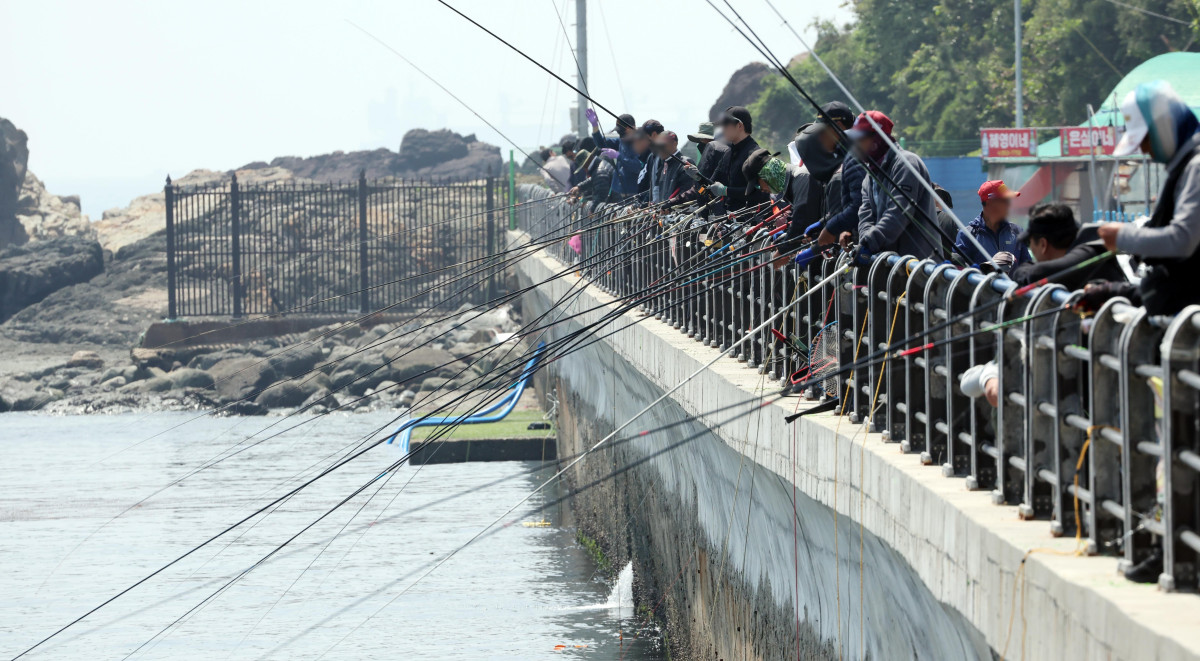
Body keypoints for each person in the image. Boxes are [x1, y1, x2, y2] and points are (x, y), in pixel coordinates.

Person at [1083, 80, 1200, 316]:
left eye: (1145, 139)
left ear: (1163, 126)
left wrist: (1124, 237)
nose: (1145, 150)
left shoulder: (1196, 166)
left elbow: (1183, 239)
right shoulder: (1184, 166)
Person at [852, 111, 940, 259]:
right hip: (890, 268)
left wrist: (869, 243)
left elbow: (898, 213)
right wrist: (865, 241)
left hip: (920, 269)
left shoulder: (906, 164)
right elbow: (865, 217)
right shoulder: (869, 176)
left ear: (876, 140)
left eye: (859, 139)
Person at [1010, 204, 1127, 290]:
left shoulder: (1087, 255)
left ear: (1043, 245)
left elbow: (1036, 274)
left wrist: (1020, 270)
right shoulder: (1087, 249)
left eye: (1030, 243)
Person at [710, 106, 770, 212]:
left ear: (739, 125)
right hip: (728, 220)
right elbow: (712, 182)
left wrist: (726, 191)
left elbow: (761, 193)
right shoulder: (728, 153)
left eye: (725, 125)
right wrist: (697, 176)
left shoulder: (757, 155)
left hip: (750, 222)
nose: (722, 129)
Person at [954, 181, 1029, 266]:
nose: (1009, 205)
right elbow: (960, 271)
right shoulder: (967, 235)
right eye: (1005, 201)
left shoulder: (1017, 231)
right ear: (990, 203)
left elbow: (1027, 266)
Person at [586, 108, 642, 200]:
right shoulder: (622, 141)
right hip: (619, 194)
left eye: (621, 131)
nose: (620, 135)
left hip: (634, 195)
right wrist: (595, 126)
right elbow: (601, 144)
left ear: (629, 128)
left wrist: (618, 156)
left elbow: (637, 167)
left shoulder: (641, 144)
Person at [651, 131, 694, 203]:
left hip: (681, 212)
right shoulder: (663, 164)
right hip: (665, 212)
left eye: (662, 146)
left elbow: (688, 192)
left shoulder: (685, 162)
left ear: (675, 143)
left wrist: (671, 204)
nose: (659, 150)